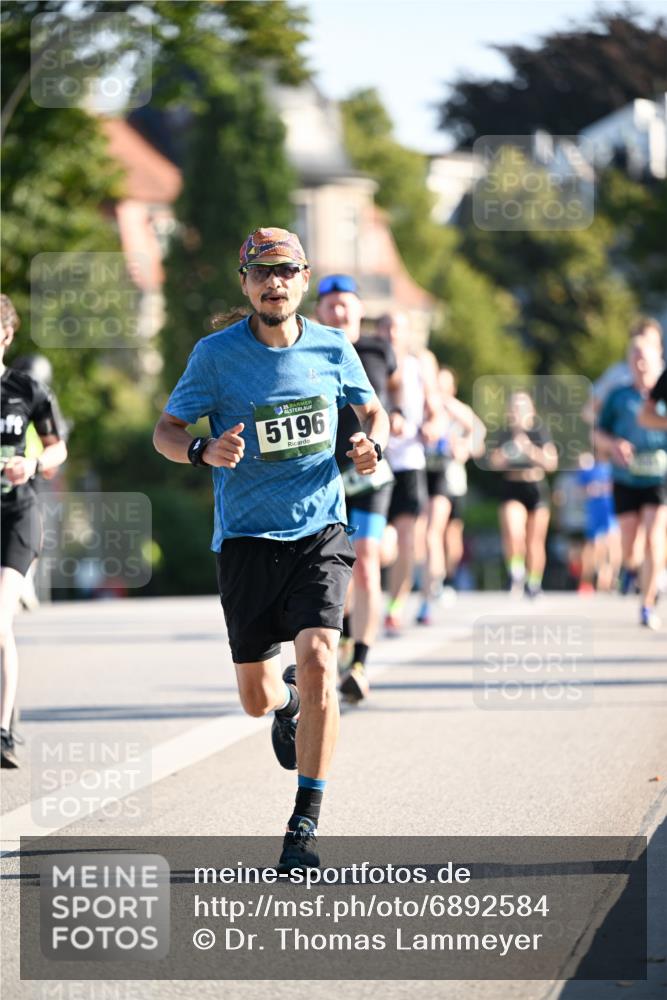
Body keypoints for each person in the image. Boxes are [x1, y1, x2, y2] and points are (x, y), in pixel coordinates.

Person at [153, 228, 389, 869]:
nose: (273, 282)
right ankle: (285, 706)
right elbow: (166, 432)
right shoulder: (215, 356)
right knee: (258, 697)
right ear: (246, 282)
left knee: (319, 661)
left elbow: (373, 414)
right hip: (246, 541)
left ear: (303, 278)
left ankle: (303, 826)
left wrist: (372, 443)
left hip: (321, 530)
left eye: (285, 270)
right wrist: (202, 450)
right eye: (261, 272)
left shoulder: (334, 347)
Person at [315, 275, 399, 702]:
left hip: (372, 473)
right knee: (338, 569)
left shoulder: (378, 350)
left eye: (345, 304)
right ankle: (345, 639)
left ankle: (361, 662)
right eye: (330, 305)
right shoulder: (311, 351)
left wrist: (397, 417)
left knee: (365, 560)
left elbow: (394, 393)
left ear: (360, 310)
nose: (339, 311)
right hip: (329, 478)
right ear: (318, 313)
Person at [1, 294, 67, 767]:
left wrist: (35, 462)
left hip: (17, 515)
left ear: (5, 335)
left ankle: (2, 731)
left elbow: (56, 447)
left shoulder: (26, 388)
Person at [595, 338, 667, 629]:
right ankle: (632, 568)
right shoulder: (618, 396)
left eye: (644, 358)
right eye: (634, 357)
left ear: (657, 358)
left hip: (660, 476)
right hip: (625, 477)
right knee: (630, 545)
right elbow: (598, 433)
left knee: (654, 536)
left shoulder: (662, 389)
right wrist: (614, 444)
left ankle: (648, 604)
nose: (639, 364)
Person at [377, 313, 440, 636]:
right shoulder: (368, 360)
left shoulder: (418, 365)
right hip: (375, 461)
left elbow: (435, 408)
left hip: (410, 461)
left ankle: (395, 607)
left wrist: (432, 426)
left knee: (406, 539)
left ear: (406, 333)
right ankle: (367, 598)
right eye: (385, 327)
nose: (390, 333)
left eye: (396, 328)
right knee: (378, 545)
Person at [418, 365, 485, 623]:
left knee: (449, 535)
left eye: (445, 385)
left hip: (451, 479)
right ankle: (433, 583)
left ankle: (447, 578)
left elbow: (478, 437)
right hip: (424, 474)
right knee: (429, 534)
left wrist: (464, 447)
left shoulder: (457, 409)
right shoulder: (424, 404)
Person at [488, 391, 558, 597]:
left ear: (531, 410)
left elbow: (551, 462)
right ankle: (516, 571)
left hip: (535, 487)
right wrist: (508, 451)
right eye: (514, 407)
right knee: (513, 531)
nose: (518, 411)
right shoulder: (504, 433)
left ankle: (534, 582)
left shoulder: (539, 432)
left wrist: (528, 449)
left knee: (535, 540)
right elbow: (493, 462)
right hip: (512, 486)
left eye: (523, 407)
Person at [575, 453, 621, 593]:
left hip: (612, 512)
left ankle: (612, 578)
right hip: (594, 513)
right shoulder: (588, 466)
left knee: (613, 544)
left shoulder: (614, 466)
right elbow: (580, 491)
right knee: (593, 546)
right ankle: (589, 580)